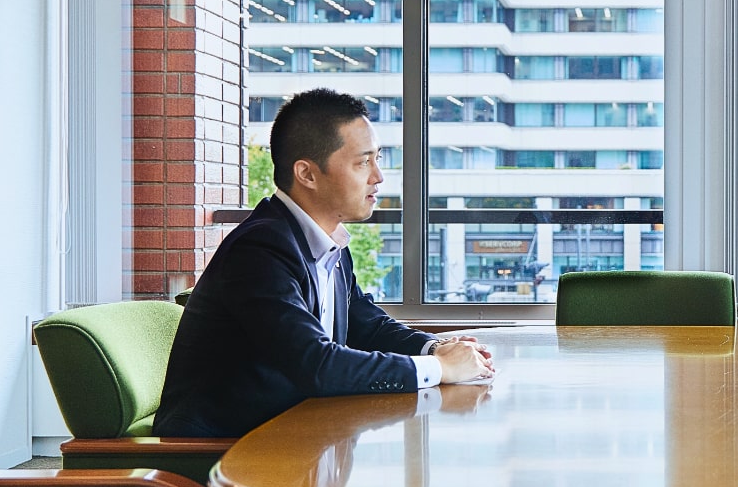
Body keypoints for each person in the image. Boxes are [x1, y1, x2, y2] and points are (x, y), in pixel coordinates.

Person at [156, 88, 494, 438]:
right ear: (308, 174)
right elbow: (316, 364)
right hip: (223, 453)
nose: (378, 176)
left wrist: (435, 347)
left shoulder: (328, 242)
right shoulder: (259, 250)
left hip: (293, 435)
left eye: (377, 159)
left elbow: (369, 327)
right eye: (363, 162)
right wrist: (438, 368)